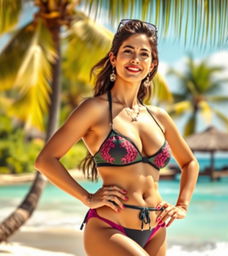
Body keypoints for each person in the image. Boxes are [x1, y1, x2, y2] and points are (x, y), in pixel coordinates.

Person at [35, 19, 200, 256]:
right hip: (109, 227)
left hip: (156, 229)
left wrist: (182, 205)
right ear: (114, 59)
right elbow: (45, 160)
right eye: (128, 51)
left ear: (152, 64)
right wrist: (87, 197)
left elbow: (190, 163)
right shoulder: (94, 109)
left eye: (144, 54)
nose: (135, 59)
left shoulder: (159, 117)